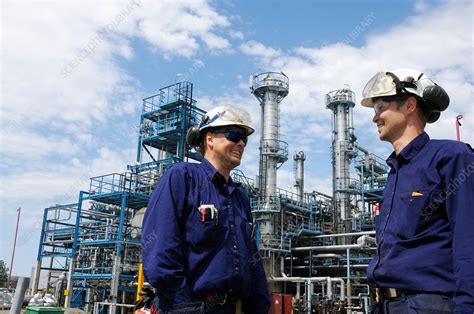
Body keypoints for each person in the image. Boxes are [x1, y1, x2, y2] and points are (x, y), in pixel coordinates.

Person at [360, 69, 474, 313]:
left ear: (409, 105)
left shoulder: (451, 158)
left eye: (381, 107)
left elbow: (468, 239)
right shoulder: (394, 173)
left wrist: (468, 306)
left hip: (428, 304)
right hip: (385, 305)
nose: (375, 118)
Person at [141, 105, 270, 313]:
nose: (241, 143)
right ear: (209, 138)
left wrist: (260, 307)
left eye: (244, 139)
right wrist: (183, 306)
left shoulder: (240, 199)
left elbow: (253, 262)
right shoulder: (182, 178)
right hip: (189, 306)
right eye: (234, 135)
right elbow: (160, 249)